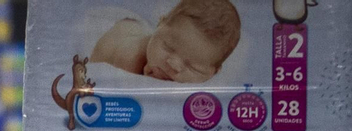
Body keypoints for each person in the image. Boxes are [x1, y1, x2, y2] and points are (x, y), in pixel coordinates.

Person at [91, 0, 241, 82]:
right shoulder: (129, 59)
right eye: (168, 47)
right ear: (159, 24)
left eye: (192, 67)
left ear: (214, 72)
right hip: (114, 28)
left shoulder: (213, 82)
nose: (173, 64)